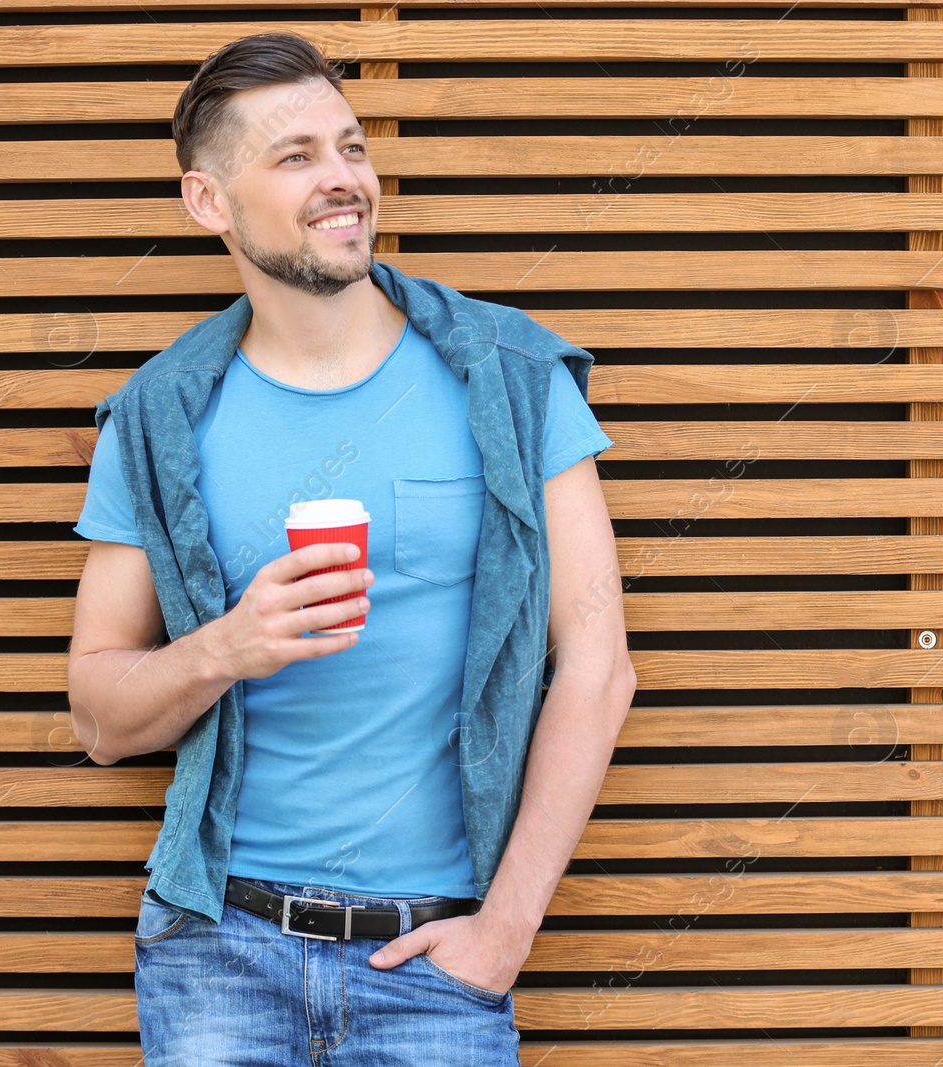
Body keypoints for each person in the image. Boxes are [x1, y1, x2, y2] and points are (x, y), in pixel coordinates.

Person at [65, 32, 635, 1066]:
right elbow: (99, 714)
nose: (343, 181)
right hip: (218, 957)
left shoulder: (513, 379)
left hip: (435, 962)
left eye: (352, 148)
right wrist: (226, 646)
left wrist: (501, 934)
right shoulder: (154, 419)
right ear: (209, 202)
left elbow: (598, 667)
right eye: (295, 157)